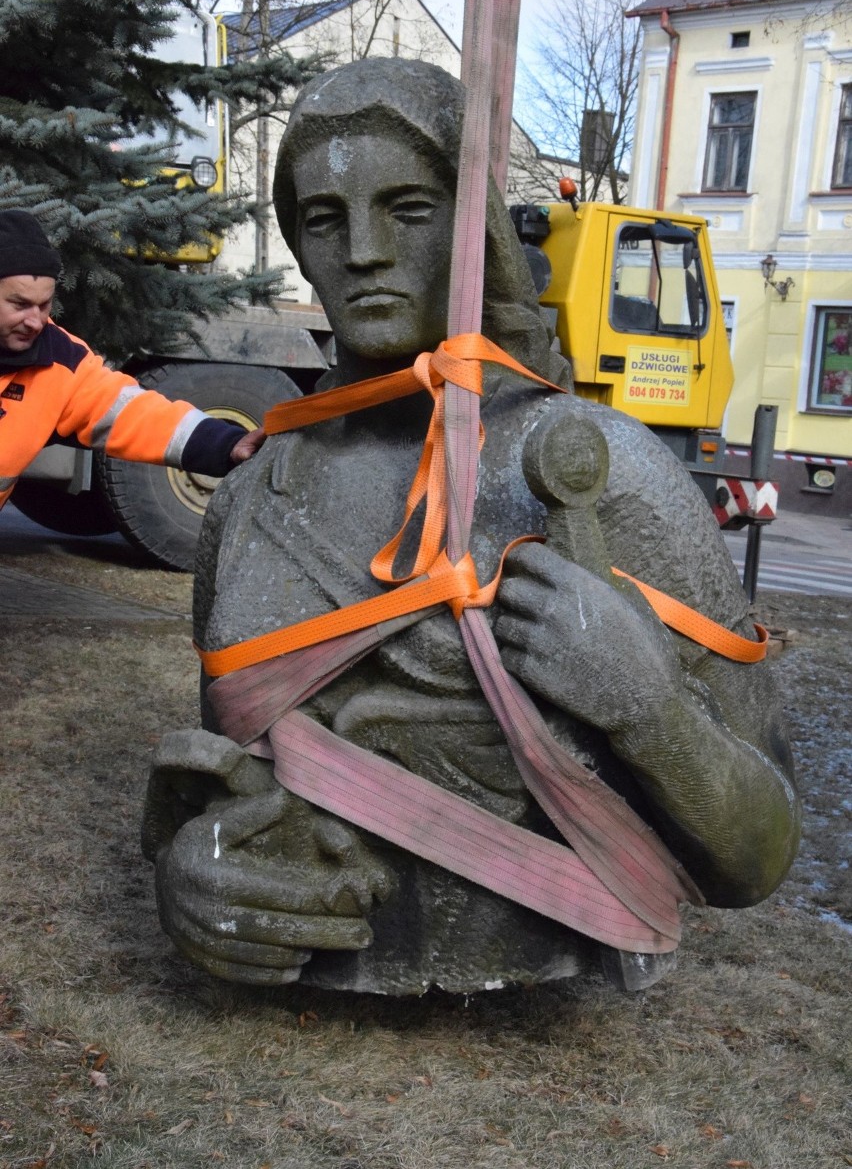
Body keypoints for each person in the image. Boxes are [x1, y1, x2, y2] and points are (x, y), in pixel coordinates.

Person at [143, 59, 801, 995]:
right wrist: (190, 867)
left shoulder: (601, 475)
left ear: (474, 229)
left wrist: (648, 710)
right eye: (324, 219)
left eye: (408, 210)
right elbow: (232, 779)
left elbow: (758, 855)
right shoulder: (257, 501)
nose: (363, 251)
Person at [0, 209, 264, 513]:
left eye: (44, 305)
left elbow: (135, 415)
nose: (35, 321)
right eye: (19, 304)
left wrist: (227, 444)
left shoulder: (61, 364)